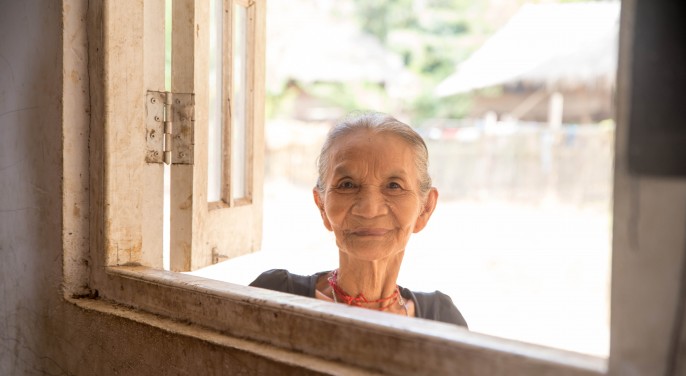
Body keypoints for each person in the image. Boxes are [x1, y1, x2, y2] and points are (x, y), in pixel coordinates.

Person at [250, 112, 467, 327]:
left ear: (425, 209)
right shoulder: (273, 297)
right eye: (347, 185)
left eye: (394, 186)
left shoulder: (441, 319)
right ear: (322, 205)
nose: (370, 210)